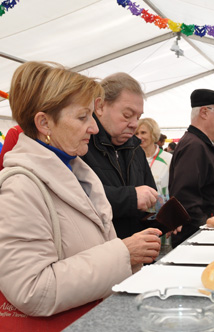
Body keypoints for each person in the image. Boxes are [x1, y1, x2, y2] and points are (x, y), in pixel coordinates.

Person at [0, 61, 161, 319]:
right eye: (82, 117)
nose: (94, 127)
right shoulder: (21, 187)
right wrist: (124, 253)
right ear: (44, 123)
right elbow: (32, 290)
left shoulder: (76, 171)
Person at [81, 72, 160, 239]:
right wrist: (131, 198)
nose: (134, 124)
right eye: (127, 115)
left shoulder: (136, 150)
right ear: (100, 106)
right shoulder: (81, 145)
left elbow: (150, 196)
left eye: (138, 117)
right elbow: (78, 195)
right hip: (101, 255)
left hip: (137, 255)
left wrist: (163, 219)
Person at [169, 89, 214, 246]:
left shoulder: (198, 144)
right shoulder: (194, 146)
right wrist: (208, 230)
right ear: (204, 112)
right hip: (199, 240)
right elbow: (186, 201)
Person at [136, 118, 172, 199]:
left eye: (143, 133)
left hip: (163, 208)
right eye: (136, 133)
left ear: (153, 134)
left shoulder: (168, 159)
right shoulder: (131, 159)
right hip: (140, 208)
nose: (139, 137)